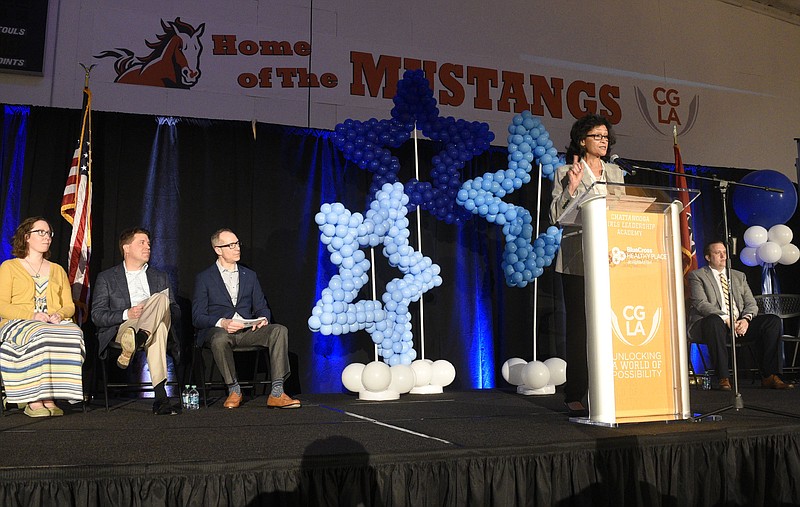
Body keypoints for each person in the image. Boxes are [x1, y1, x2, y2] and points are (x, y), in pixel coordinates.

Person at [549, 113, 625, 417]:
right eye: (598, 136)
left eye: (606, 137)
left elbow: (622, 211)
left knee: (611, 326)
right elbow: (556, 216)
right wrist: (572, 188)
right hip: (577, 259)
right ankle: (576, 391)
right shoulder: (566, 171)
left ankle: (609, 387)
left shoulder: (616, 173)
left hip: (611, 258)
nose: (604, 141)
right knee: (580, 328)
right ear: (583, 140)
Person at [192, 228, 300, 409]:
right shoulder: (204, 278)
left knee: (279, 330)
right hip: (221, 333)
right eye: (231, 245)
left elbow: (261, 306)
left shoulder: (249, 276)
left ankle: (277, 392)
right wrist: (222, 323)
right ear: (218, 249)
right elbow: (197, 317)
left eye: (237, 243)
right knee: (219, 338)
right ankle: (234, 390)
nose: (237, 248)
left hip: (247, 332)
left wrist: (263, 318)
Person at [91, 227, 182, 415]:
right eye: (142, 243)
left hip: (150, 326)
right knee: (158, 327)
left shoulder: (160, 276)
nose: (148, 247)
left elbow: (176, 311)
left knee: (161, 303)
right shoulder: (107, 277)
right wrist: (127, 313)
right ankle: (160, 398)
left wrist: (157, 309)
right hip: (124, 327)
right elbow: (97, 315)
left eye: (149, 243)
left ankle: (141, 338)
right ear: (126, 248)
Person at [0, 217, 85, 417]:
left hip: (51, 322)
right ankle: (33, 398)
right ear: (27, 237)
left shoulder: (57, 270)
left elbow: (69, 305)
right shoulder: (9, 267)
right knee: (41, 333)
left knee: (74, 333)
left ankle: (51, 396)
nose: (47, 237)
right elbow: (2, 305)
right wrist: (32, 315)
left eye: (49, 233)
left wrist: (59, 314)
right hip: (17, 322)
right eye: (41, 232)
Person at [687, 240, 792, 390]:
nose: (723, 256)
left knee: (772, 321)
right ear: (708, 257)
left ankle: (769, 375)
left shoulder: (738, 276)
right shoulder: (697, 275)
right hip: (710, 325)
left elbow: (751, 304)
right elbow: (701, 303)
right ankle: (723, 377)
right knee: (714, 321)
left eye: (724, 252)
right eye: (718, 253)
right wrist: (726, 318)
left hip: (738, 325)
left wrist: (746, 320)